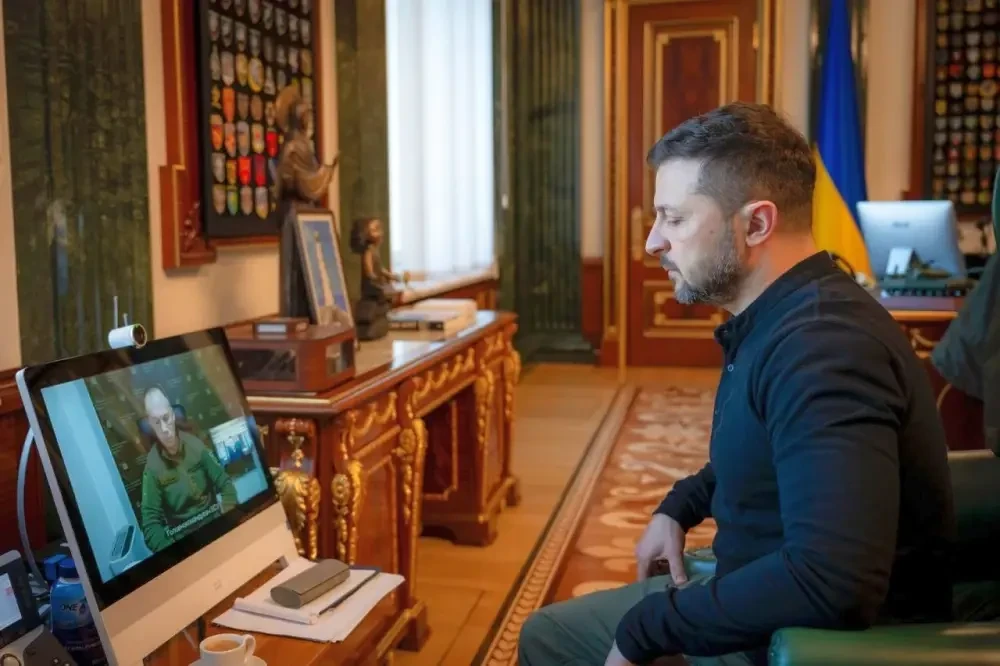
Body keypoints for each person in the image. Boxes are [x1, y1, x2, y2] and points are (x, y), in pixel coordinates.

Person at [517, 102, 955, 666]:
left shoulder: (823, 348)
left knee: (548, 640)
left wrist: (648, 629)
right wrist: (682, 504)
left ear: (756, 224)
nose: (652, 242)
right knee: (547, 632)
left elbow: (832, 580)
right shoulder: (788, 313)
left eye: (674, 219)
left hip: (799, 642)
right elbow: (771, 451)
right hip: (758, 601)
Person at [139, 387, 238, 552]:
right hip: (186, 544)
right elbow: (150, 526)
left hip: (216, 528)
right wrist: (175, 553)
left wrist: (226, 520)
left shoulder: (196, 445)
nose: (164, 428)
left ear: (172, 415)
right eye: (156, 422)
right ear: (150, 424)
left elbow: (226, 484)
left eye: (166, 418)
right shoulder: (152, 468)